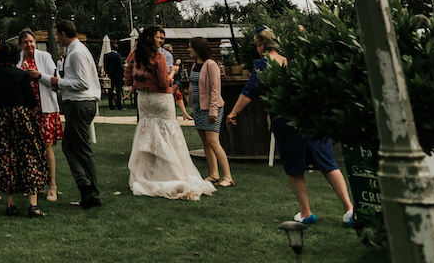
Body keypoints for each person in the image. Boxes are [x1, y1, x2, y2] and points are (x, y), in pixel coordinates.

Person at [227, 28, 354, 225]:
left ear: (261, 46)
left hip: (286, 121)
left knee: (294, 168)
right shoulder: (292, 61)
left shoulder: (263, 63)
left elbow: (250, 90)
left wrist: (234, 111)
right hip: (310, 117)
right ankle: (349, 209)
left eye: (256, 45)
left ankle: (306, 213)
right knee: (328, 164)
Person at [124, 26, 214, 200]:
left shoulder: (133, 56)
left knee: (147, 133)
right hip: (161, 100)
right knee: (168, 135)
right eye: (160, 38)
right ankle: (171, 173)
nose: (162, 41)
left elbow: (128, 79)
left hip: (143, 100)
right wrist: (173, 72)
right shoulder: (158, 57)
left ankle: (148, 174)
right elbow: (165, 83)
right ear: (150, 38)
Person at [0, 42, 46, 218]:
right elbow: (32, 102)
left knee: (5, 157)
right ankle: (33, 204)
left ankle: (11, 204)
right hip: (21, 117)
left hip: (2, 117)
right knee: (30, 155)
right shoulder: (22, 75)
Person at [50, 21, 103, 209]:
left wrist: (59, 82)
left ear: (62, 33)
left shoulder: (77, 52)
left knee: (80, 149)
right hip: (79, 103)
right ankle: (86, 189)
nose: (57, 39)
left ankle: (90, 189)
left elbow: (82, 82)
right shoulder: (76, 50)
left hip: (80, 103)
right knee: (70, 147)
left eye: (57, 35)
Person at [21, 30, 63, 203]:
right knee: (30, 148)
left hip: (45, 107)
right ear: (21, 44)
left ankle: (52, 185)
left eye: (31, 41)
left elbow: (56, 79)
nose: (29, 45)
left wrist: (39, 76)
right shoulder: (19, 61)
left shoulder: (45, 57)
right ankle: (33, 184)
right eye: (25, 42)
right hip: (27, 109)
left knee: (46, 146)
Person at [188, 38, 233, 187]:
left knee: (213, 141)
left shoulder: (211, 65)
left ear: (198, 49)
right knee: (205, 142)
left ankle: (227, 176)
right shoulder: (195, 65)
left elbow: (215, 89)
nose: (189, 50)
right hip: (199, 109)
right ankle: (214, 174)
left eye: (191, 48)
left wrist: (213, 110)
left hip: (211, 109)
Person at [102, 46, 125, 112]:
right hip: (118, 76)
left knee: (110, 91)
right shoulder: (118, 56)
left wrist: (108, 73)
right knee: (118, 91)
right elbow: (121, 66)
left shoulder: (106, 56)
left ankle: (111, 105)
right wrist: (122, 75)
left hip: (110, 76)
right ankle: (119, 106)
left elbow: (105, 66)